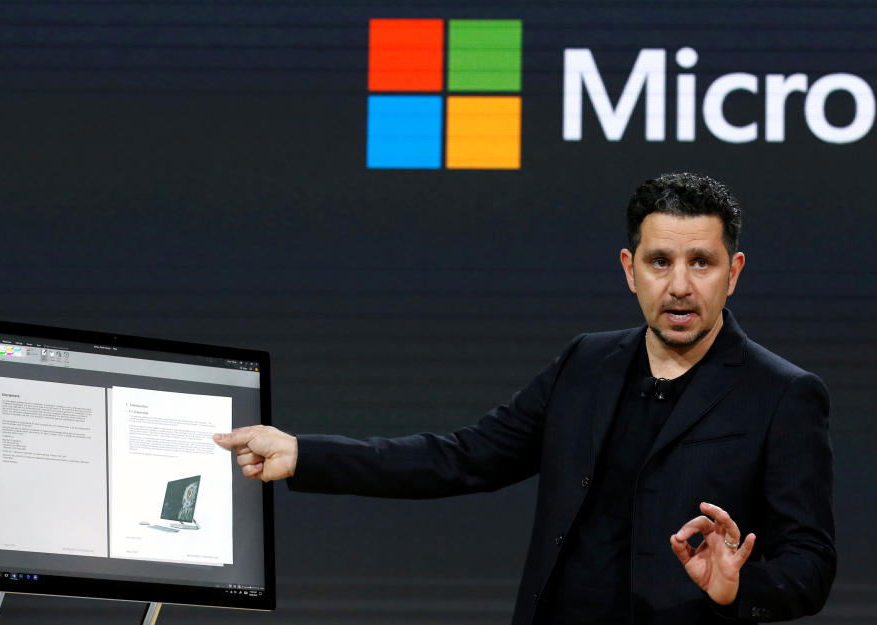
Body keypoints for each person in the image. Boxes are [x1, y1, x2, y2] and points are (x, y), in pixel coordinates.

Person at [214, 173, 835, 624]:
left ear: (734, 272)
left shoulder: (783, 394)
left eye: (701, 262)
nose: (678, 285)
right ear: (629, 268)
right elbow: (462, 457)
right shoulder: (585, 363)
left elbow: (810, 565)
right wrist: (306, 453)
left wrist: (739, 586)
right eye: (659, 261)